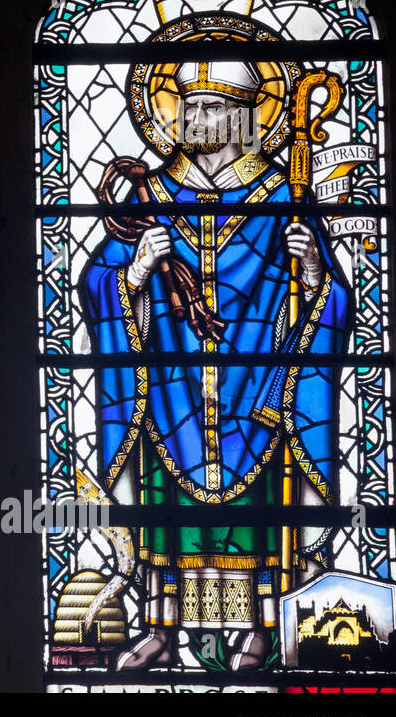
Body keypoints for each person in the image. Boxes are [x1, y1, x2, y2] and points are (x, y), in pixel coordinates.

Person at [81, 59, 350, 670]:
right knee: (164, 507)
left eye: (210, 106)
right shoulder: (148, 195)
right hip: (169, 386)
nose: (194, 117)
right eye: (188, 105)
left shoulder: (283, 196)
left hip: (252, 386)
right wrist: (135, 272)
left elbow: (333, 304)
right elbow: (97, 285)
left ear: (244, 116)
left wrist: (312, 271)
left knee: (261, 507)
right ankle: (162, 628)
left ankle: (263, 626)